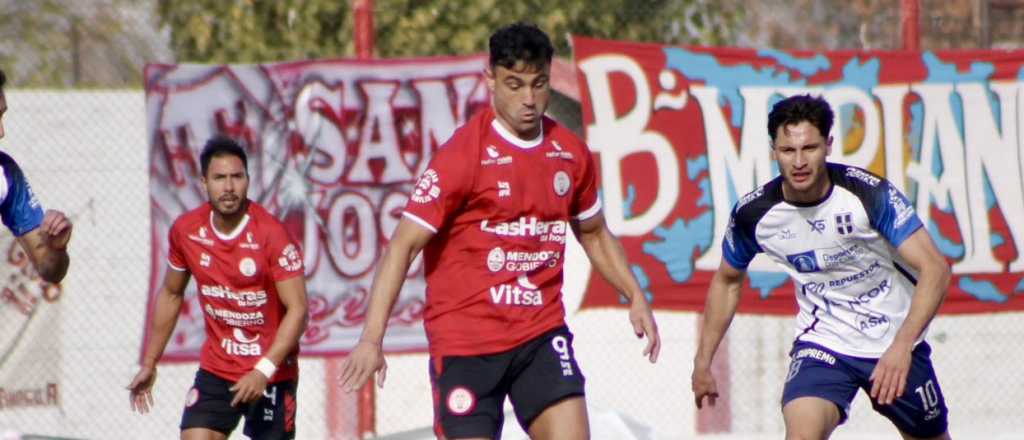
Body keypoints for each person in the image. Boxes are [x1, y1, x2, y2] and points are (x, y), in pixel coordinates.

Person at [338, 22, 660, 440]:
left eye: (538, 84)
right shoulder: (462, 155)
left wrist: (634, 294)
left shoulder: (570, 153)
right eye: (514, 84)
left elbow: (594, 233)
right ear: (490, 78)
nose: (528, 99)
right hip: (466, 345)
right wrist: (371, 339)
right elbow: (403, 246)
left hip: (539, 335)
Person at [691, 94, 951, 439]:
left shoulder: (868, 195)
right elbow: (727, 281)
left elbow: (936, 268)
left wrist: (902, 346)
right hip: (825, 343)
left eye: (809, 148)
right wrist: (703, 360)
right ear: (774, 151)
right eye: (788, 150)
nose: (799, 161)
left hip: (895, 341)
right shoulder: (754, 214)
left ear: (828, 145)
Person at [128, 136, 309, 440]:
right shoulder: (187, 231)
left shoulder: (272, 235)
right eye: (219, 178)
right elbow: (172, 294)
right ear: (204, 182)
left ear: (248, 181)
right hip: (218, 368)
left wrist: (263, 370)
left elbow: (299, 309)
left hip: (272, 372)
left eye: (236, 177)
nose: (228, 187)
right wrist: (150, 362)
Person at [0, 68, 72, 284]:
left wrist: (57, 248)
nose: (2, 132)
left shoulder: (5, 175)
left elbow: (48, 269)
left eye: (2, 116)